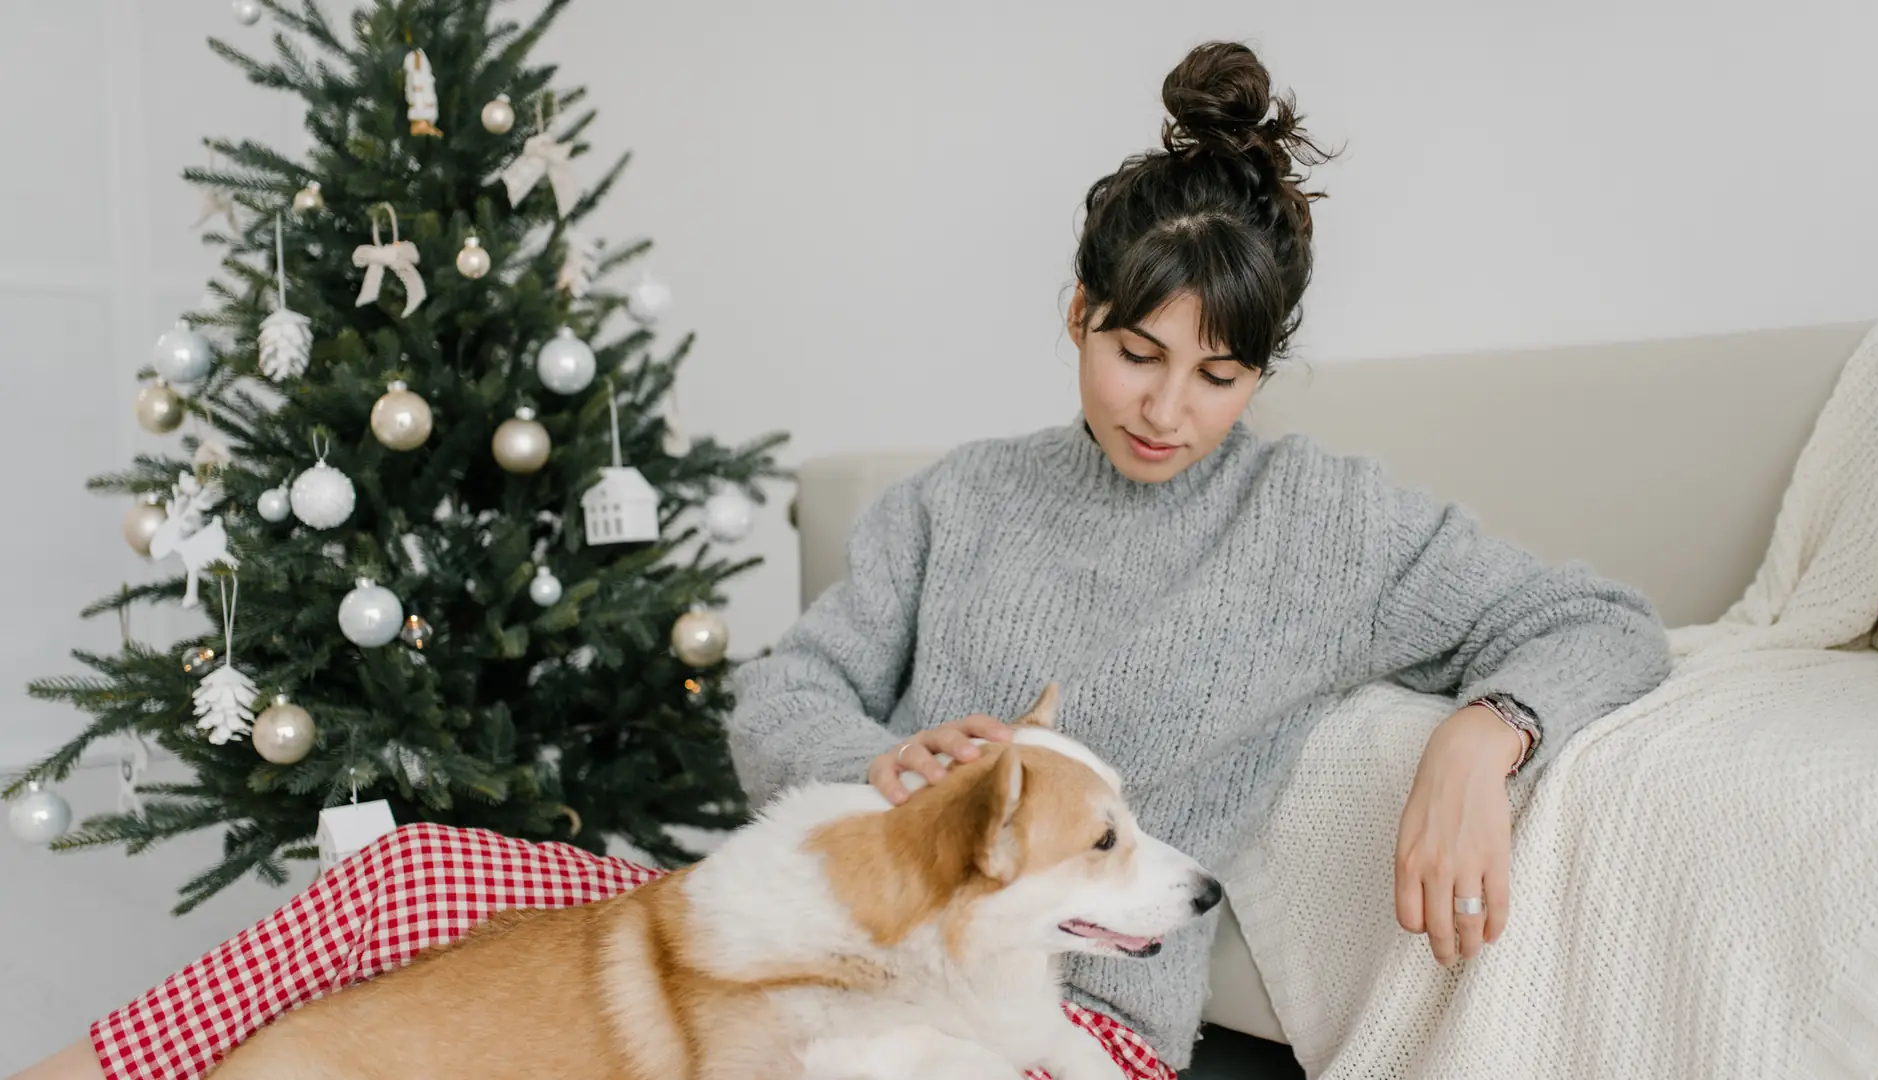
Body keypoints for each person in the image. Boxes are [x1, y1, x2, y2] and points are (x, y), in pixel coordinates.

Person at [11, 40, 1670, 1080]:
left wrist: (1486, 729)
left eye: (1219, 377)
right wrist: (879, 764)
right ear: (1076, 317)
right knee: (404, 875)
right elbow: (789, 690)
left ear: (1261, 374)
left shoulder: (1328, 522)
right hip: (825, 941)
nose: (1169, 410)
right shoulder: (959, 501)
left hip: (1047, 1023)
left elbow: (1596, 618)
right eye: (1135, 355)